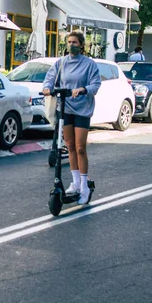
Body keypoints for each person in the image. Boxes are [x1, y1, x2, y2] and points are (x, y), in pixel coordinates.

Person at [42, 31, 101, 205]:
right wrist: (47, 88)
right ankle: (75, 183)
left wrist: (83, 89)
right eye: (68, 42)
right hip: (66, 107)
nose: (71, 45)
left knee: (80, 147)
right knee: (69, 146)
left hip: (82, 108)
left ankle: (84, 186)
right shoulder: (61, 63)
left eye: (74, 42)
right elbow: (50, 78)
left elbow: (95, 84)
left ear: (81, 45)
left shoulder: (89, 64)